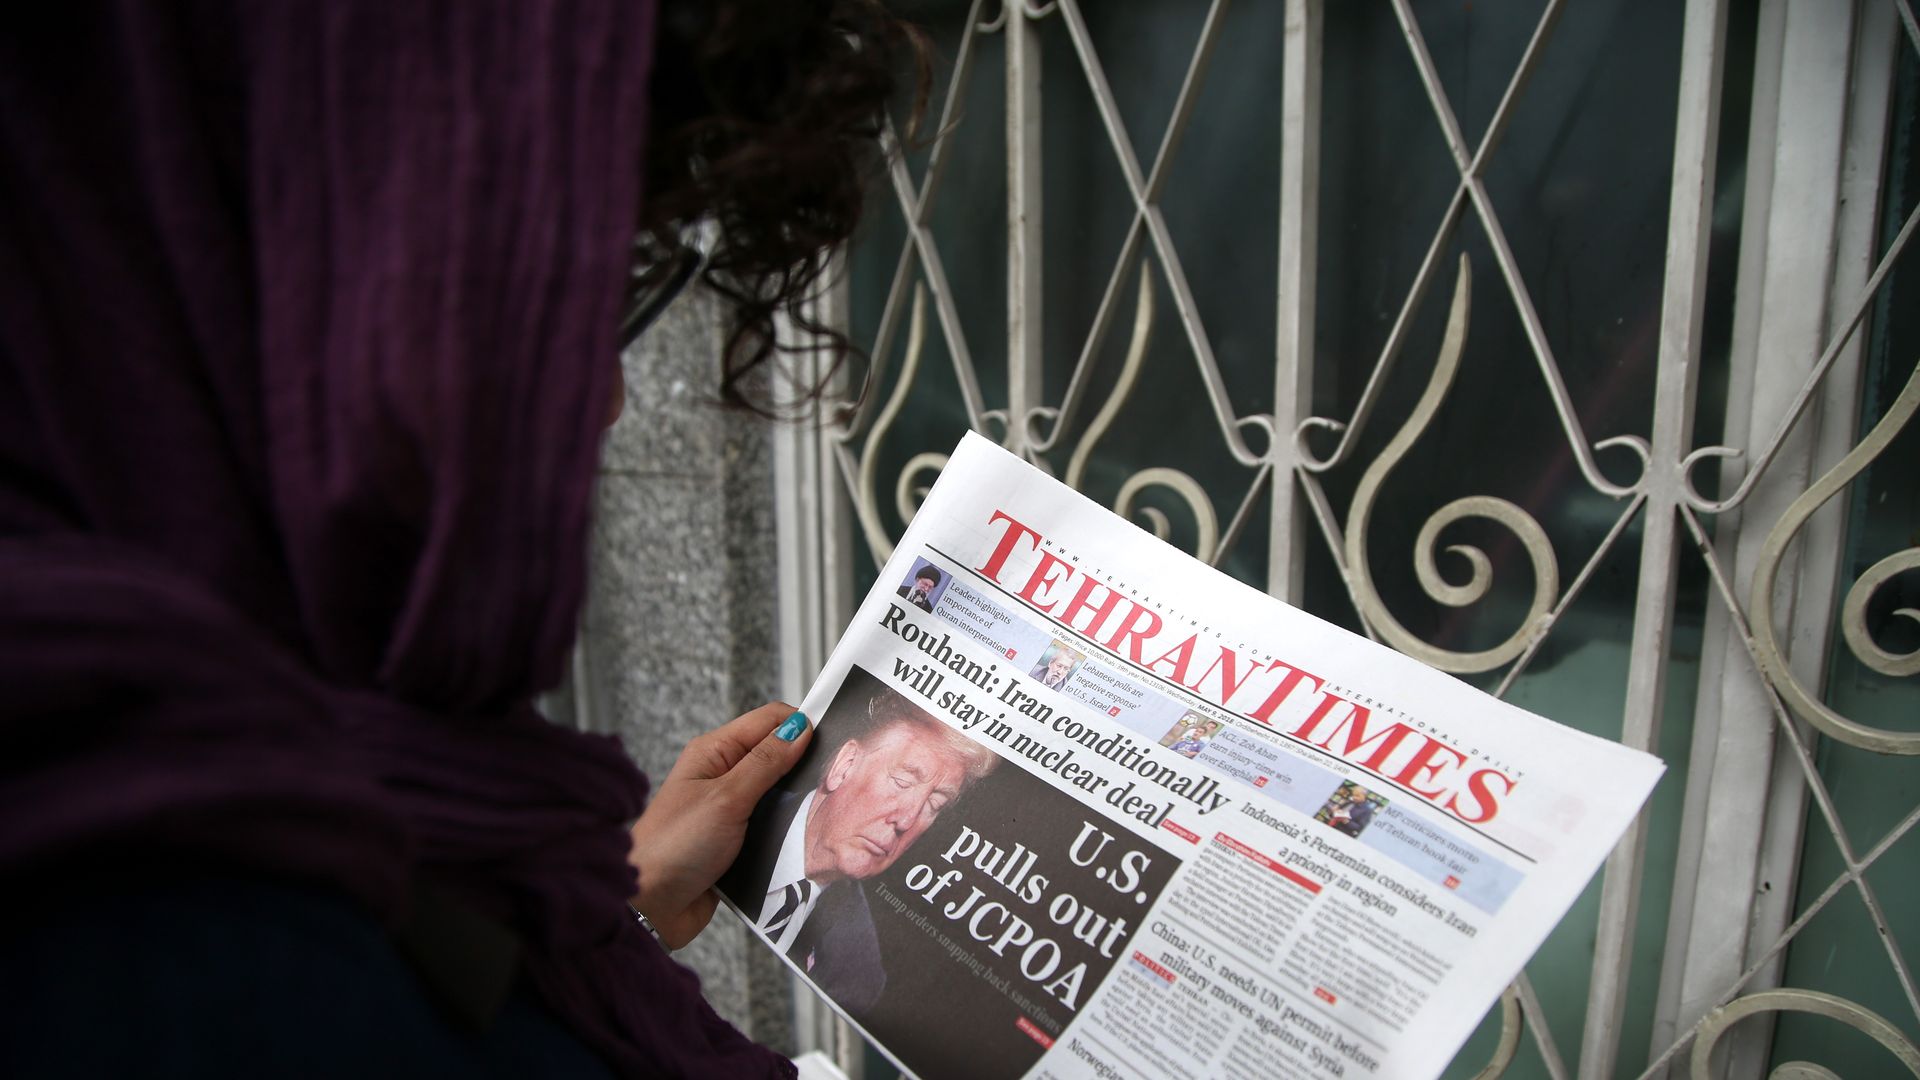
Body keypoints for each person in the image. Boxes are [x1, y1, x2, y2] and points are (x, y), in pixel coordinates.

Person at [0, 2, 925, 1076]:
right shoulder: (152, 947)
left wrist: (618, 915)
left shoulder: (323, 793)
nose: (607, 399)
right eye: (527, 314)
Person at [722, 687, 997, 1013]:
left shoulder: (859, 970)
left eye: (935, 804)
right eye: (902, 781)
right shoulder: (731, 825)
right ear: (844, 765)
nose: (907, 819)